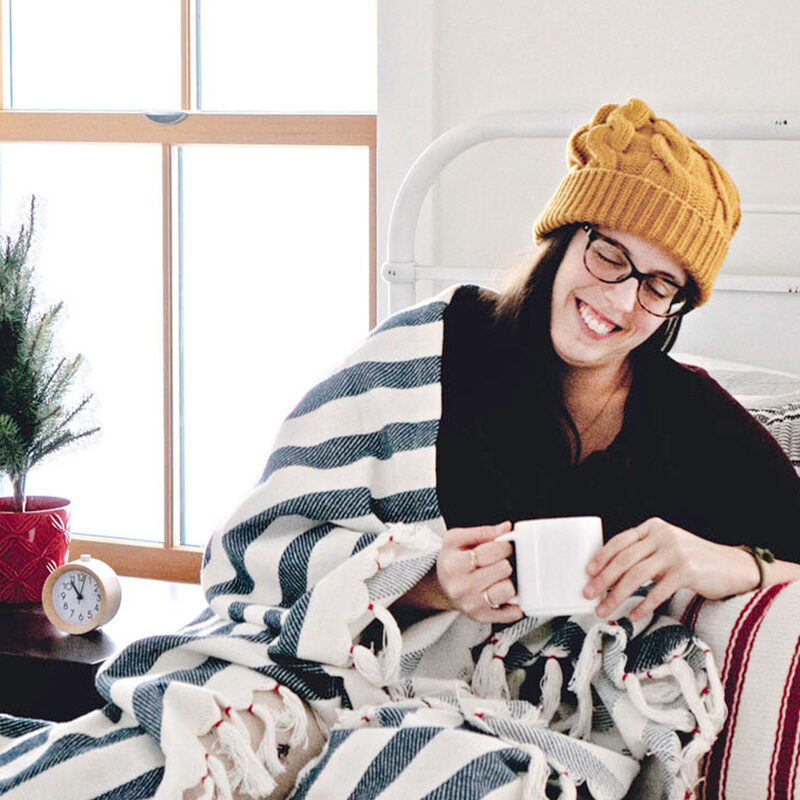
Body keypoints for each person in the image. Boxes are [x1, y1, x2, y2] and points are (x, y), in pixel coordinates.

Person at [4, 97, 800, 800]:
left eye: (661, 287)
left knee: (428, 772)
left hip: (524, 723)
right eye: (610, 256)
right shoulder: (434, 350)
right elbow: (254, 546)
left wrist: (726, 564)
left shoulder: (691, 417)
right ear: (565, 237)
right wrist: (427, 579)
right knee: (165, 755)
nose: (621, 301)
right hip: (338, 673)